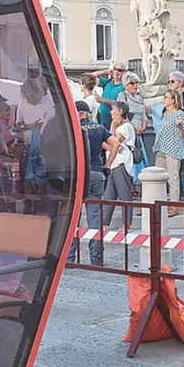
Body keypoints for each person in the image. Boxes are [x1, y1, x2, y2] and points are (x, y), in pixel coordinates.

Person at [68, 101, 120, 266]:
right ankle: (96, 259)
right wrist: (108, 164)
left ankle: (70, 258)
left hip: (76, 175)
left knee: (71, 218)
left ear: (79, 113)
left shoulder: (72, 129)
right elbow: (116, 144)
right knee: (95, 218)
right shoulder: (98, 128)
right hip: (96, 172)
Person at [16, 77, 52, 213]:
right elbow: (18, 124)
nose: (31, 96)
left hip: (44, 143)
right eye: (28, 94)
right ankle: (28, 201)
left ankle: (41, 200)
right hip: (28, 142)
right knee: (27, 173)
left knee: (41, 173)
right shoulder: (22, 104)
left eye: (33, 93)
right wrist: (29, 126)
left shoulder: (47, 102)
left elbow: (51, 120)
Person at [153, 90, 184, 217]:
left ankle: (174, 207)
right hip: (161, 150)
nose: (164, 99)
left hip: (173, 150)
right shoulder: (164, 114)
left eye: (166, 97)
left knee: (173, 179)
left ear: (173, 100)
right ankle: (158, 205)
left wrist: (180, 126)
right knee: (158, 179)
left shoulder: (179, 114)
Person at [101, 101, 136, 228]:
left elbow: (113, 142)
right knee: (109, 194)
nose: (111, 112)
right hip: (114, 163)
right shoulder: (120, 128)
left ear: (120, 112)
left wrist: (112, 127)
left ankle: (126, 224)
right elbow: (107, 144)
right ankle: (104, 223)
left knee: (124, 193)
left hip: (121, 163)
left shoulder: (126, 127)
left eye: (113, 110)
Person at [117, 72, 149, 187]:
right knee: (129, 158)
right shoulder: (123, 96)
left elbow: (144, 116)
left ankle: (137, 185)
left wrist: (143, 127)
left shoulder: (140, 98)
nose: (135, 85)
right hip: (128, 132)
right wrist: (133, 128)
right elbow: (120, 113)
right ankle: (129, 186)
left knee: (138, 157)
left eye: (136, 83)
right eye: (132, 83)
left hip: (139, 133)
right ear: (126, 85)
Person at [90, 62, 127, 129]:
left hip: (114, 120)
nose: (116, 72)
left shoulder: (124, 86)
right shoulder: (108, 82)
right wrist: (105, 72)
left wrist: (102, 100)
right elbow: (91, 76)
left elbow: (120, 103)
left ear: (125, 72)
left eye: (120, 70)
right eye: (115, 69)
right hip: (101, 118)